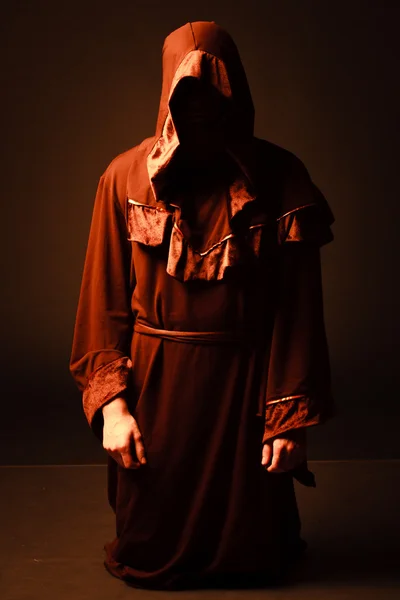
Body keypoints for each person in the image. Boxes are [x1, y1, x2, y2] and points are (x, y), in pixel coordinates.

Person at [69, 20, 336, 591]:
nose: (199, 111)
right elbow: (102, 303)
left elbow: (298, 315)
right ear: (166, 93)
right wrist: (113, 409)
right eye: (185, 95)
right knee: (149, 540)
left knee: (254, 547)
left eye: (212, 95)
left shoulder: (282, 178)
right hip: (157, 388)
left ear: (235, 92)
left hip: (246, 391)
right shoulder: (124, 177)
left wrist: (288, 419)